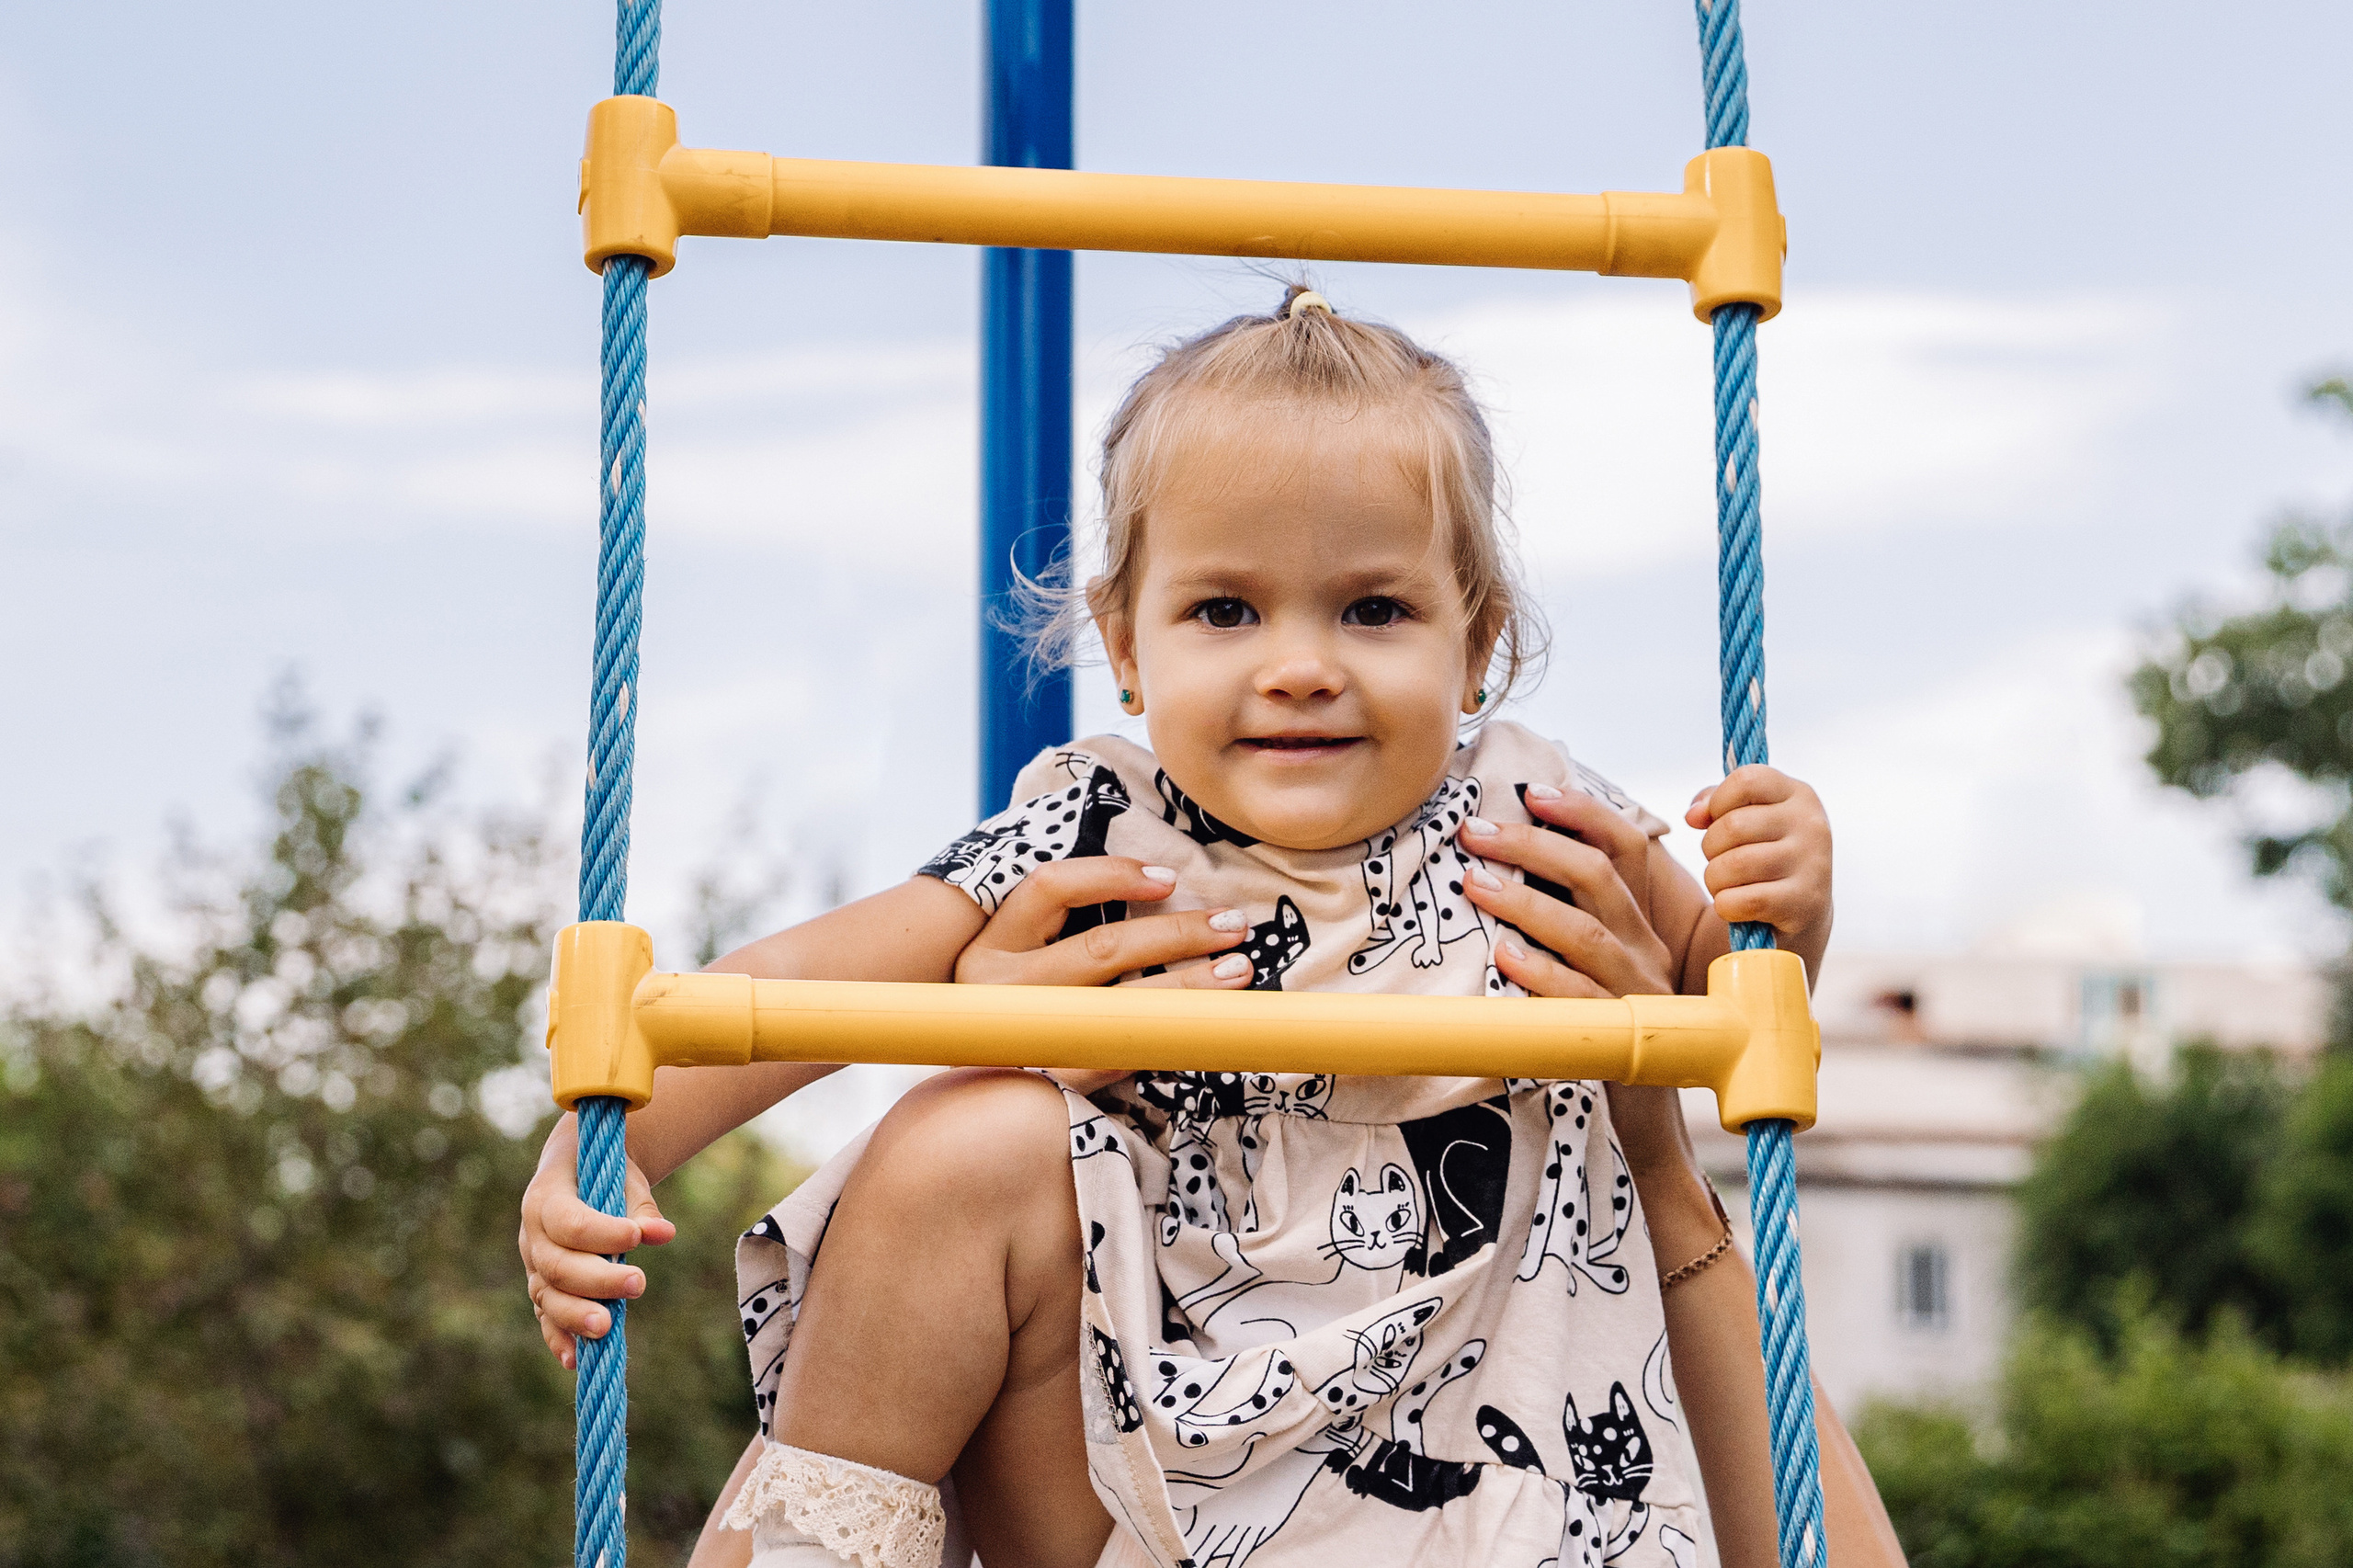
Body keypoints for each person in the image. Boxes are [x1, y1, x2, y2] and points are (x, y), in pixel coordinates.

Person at [519, 288, 1904, 1568]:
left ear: (1474, 643)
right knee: (967, 1140)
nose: (1298, 665)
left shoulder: (1534, 814)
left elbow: (1720, 1012)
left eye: (1373, 608)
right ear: (1126, 645)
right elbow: (804, 983)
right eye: (1225, 609)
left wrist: (1778, 911)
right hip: (1168, 1449)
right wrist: (616, 1133)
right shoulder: (1102, 828)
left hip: (1486, 1441)